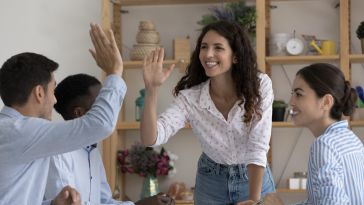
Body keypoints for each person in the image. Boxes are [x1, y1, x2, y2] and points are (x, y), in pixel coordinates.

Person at [140, 21, 275, 205]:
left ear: (235, 56)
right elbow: (151, 138)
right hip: (211, 183)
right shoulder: (191, 98)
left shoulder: (260, 85)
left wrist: (254, 200)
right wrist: (152, 90)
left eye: (218, 47)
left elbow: (258, 145)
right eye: (204, 47)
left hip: (254, 178)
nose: (208, 54)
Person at [0, 24, 126, 205]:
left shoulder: (12, 130)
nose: (55, 100)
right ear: (39, 93)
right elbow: (101, 124)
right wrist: (115, 72)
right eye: (52, 90)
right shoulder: (21, 130)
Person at [44, 73, 175, 205]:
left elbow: (104, 201)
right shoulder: (58, 152)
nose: (108, 109)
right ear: (79, 113)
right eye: (101, 103)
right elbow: (67, 203)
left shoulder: (92, 151)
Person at [262, 63, 364, 205]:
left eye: (299, 94)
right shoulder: (352, 140)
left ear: (326, 102)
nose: (291, 102)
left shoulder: (324, 144)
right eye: (293, 94)